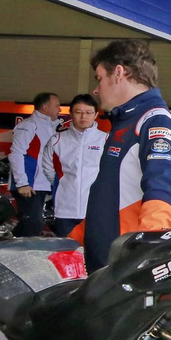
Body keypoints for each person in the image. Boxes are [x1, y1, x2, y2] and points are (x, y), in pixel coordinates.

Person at [82, 40, 171, 273]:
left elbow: (162, 194)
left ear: (118, 73)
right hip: (105, 266)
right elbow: (109, 196)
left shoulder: (154, 121)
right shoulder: (124, 123)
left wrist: (143, 259)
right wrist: (76, 238)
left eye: (99, 78)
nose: (96, 90)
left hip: (125, 271)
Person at [38, 94, 106, 238]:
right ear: (71, 114)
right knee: (66, 254)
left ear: (96, 115)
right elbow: (48, 168)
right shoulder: (58, 140)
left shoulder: (105, 140)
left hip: (96, 210)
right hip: (65, 210)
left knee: (94, 255)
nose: (83, 117)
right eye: (78, 112)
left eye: (88, 112)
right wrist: (62, 186)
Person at [10, 90, 60, 236]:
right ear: (45, 108)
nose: (59, 109)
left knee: (34, 223)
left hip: (41, 185)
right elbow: (16, 153)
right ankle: (10, 252)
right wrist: (22, 183)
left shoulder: (51, 127)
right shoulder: (29, 125)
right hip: (29, 186)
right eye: (56, 105)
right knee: (33, 223)